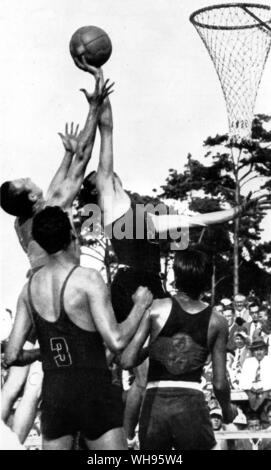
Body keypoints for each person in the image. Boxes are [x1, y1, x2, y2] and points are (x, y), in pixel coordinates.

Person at [4, 206, 153, 450]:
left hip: (55, 394)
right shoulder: (87, 278)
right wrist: (139, 306)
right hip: (92, 389)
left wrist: (45, 353)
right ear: (72, 239)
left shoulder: (28, 289)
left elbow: (11, 356)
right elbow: (116, 340)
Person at [120, 249, 236, 450]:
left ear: (176, 276)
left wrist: (156, 347)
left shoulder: (155, 308)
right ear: (207, 280)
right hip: (191, 404)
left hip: (155, 406)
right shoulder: (218, 321)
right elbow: (219, 382)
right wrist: (227, 410)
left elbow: (127, 360)